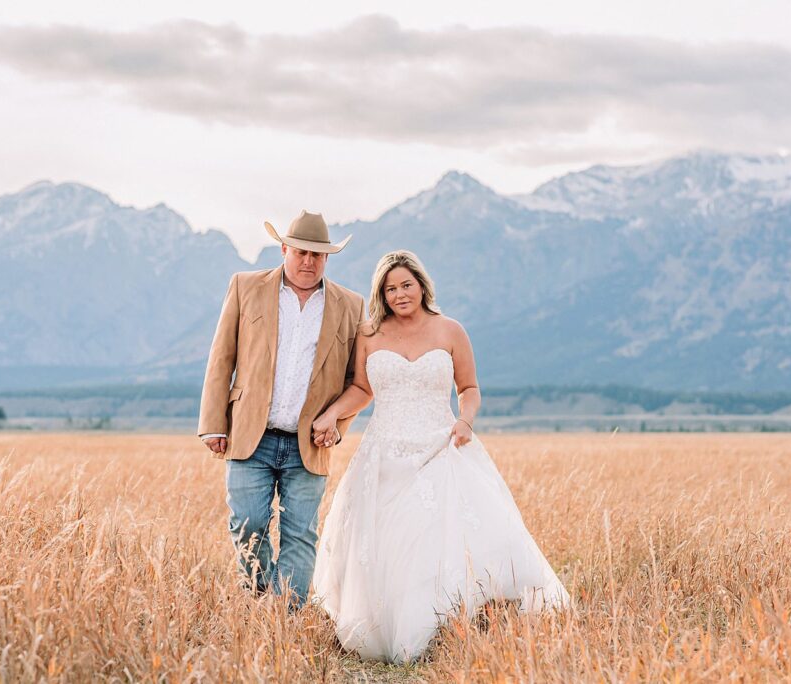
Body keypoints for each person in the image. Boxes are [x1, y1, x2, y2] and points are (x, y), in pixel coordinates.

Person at [311, 250, 570, 662]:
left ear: (422, 285)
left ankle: (445, 626)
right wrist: (331, 414)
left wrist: (465, 421)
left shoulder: (450, 330)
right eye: (390, 289)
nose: (399, 294)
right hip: (384, 454)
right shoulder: (369, 333)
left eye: (406, 285)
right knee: (387, 543)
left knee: (439, 536)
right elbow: (362, 389)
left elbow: (469, 388)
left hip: (441, 447)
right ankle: (390, 627)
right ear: (381, 294)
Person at [198, 210, 365, 610]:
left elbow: (356, 380)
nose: (308, 261)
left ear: (327, 258)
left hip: (309, 443)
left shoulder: (351, 305)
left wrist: (338, 425)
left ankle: (282, 619)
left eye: (317, 255)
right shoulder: (245, 287)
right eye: (301, 252)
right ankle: (261, 602)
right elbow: (221, 357)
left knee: (300, 535)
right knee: (248, 526)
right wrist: (213, 423)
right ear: (284, 250)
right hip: (250, 435)